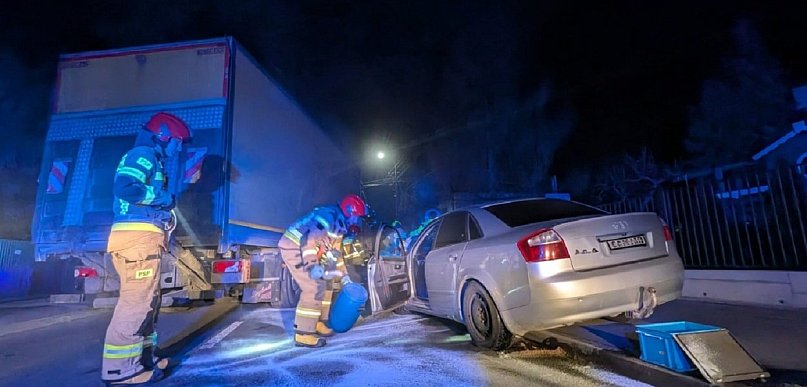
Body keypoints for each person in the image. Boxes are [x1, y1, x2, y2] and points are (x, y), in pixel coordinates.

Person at [101, 112, 190, 386]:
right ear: (163, 136)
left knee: (149, 303)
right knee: (135, 305)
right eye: (176, 142)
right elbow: (125, 187)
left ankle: (144, 358)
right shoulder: (143, 154)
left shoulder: (153, 158)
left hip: (142, 241)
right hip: (135, 241)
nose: (178, 148)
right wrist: (162, 198)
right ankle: (120, 371)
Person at [279, 194, 367, 347]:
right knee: (313, 287)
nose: (356, 221)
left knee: (327, 284)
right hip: (293, 246)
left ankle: (319, 322)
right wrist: (312, 266)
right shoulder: (327, 217)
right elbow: (308, 241)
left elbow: (335, 254)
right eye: (356, 217)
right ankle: (303, 334)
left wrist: (344, 276)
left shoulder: (339, 226)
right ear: (349, 212)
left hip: (308, 248)